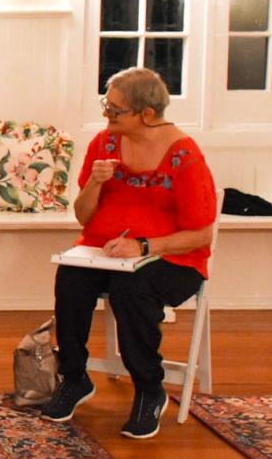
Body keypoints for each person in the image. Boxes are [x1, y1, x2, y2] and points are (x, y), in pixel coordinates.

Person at [40, 67, 216, 439]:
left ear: (147, 115)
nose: (107, 115)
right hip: (106, 252)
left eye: (116, 109)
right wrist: (95, 183)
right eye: (107, 105)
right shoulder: (103, 144)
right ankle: (74, 379)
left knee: (131, 289)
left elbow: (200, 234)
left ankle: (150, 389)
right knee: (71, 279)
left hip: (172, 259)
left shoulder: (184, 156)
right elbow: (82, 215)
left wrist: (145, 246)